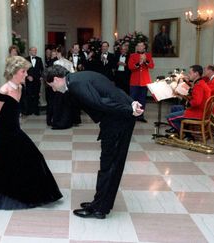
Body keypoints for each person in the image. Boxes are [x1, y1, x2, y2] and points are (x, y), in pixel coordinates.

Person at [43, 65, 143, 219]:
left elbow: (100, 103)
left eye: (52, 86)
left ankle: (99, 209)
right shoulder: (80, 77)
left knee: (110, 165)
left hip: (117, 121)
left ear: (56, 79)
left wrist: (129, 109)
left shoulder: (76, 85)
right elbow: (113, 90)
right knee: (110, 164)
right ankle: (101, 203)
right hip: (117, 118)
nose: (54, 90)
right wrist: (131, 103)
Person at [0, 56, 62, 209]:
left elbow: (13, 112)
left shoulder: (20, 88)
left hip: (15, 131)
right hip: (3, 136)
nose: (26, 74)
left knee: (35, 157)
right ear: (14, 72)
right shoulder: (3, 90)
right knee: (9, 164)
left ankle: (38, 192)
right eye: (23, 71)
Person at [166, 65, 212, 135]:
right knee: (174, 108)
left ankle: (184, 134)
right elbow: (195, 97)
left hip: (197, 113)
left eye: (190, 73)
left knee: (169, 117)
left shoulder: (199, 85)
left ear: (196, 73)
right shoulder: (200, 82)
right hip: (200, 110)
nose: (188, 75)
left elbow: (196, 102)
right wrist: (182, 95)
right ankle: (181, 130)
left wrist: (186, 103)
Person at [128, 41, 155, 123]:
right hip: (134, 81)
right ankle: (133, 115)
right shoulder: (132, 55)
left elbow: (151, 66)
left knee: (142, 99)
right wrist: (139, 63)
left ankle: (140, 116)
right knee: (133, 99)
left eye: (141, 46)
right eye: (138, 46)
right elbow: (130, 67)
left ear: (144, 47)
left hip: (144, 81)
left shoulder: (148, 55)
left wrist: (146, 61)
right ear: (136, 47)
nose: (139, 47)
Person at [22, 47, 44, 116]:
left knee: (36, 96)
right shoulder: (26, 59)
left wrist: (41, 76)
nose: (35, 51)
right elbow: (23, 70)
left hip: (37, 81)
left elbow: (42, 69)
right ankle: (29, 110)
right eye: (33, 50)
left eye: (35, 50)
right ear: (30, 51)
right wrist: (27, 76)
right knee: (29, 95)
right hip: (29, 80)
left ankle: (36, 111)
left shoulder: (39, 59)